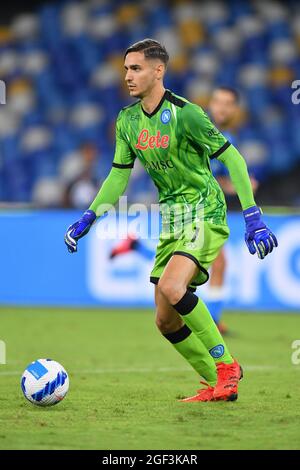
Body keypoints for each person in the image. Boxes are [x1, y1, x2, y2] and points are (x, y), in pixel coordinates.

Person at [64, 39, 277, 402]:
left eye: (136, 68)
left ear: (158, 70)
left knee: (173, 287)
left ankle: (226, 367)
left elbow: (235, 160)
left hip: (204, 211)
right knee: (165, 321)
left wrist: (252, 215)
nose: (127, 76)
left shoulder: (187, 113)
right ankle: (218, 381)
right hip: (172, 221)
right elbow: (118, 177)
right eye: (126, 69)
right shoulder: (127, 120)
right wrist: (90, 215)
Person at [207, 87, 259, 333]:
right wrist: (231, 185)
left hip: (208, 209)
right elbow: (194, 174)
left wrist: (242, 181)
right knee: (212, 263)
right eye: (218, 102)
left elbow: (224, 174)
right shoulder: (200, 130)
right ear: (210, 104)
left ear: (235, 110)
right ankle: (210, 322)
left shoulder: (229, 137)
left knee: (215, 263)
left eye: (228, 103)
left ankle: (212, 320)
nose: (222, 107)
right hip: (185, 204)